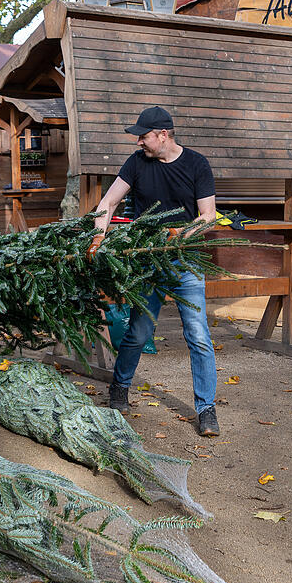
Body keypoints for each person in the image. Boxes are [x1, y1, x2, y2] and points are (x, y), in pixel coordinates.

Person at [89, 106, 220, 437]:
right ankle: (119, 388)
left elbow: (208, 216)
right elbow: (108, 202)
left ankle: (206, 409)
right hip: (147, 259)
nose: (139, 142)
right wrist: (98, 232)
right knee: (139, 332)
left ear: (163, 135)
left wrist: (180, 235)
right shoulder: (136, 163)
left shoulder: (196, 164)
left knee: (199, 335)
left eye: (143, 136)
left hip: (185, 260)